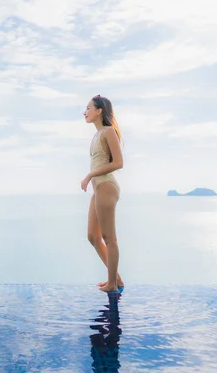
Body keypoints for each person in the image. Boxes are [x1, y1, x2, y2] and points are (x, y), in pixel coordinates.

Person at [80, 95, 124, 293]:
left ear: (99, 111)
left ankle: (112, 284)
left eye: (88, 108)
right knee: (92, 237)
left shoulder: (108, 132)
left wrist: (90, 175)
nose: (85, 111)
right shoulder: (97, 135)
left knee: (109, 238)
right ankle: (116, 279)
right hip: (98, 188)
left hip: (106, 185)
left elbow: (118, 163)